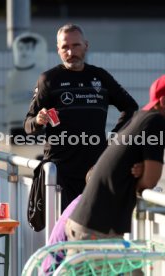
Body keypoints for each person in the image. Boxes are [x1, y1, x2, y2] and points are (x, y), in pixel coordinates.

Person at [24, 23, 138, 211]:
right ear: (58, 50)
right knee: (63, 231)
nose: (71, 52)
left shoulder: (100, 76)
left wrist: (114, 138)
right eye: (65, 47)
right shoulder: (49, 79)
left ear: (86, 45)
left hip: (94, 169)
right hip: (60, 172)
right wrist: (38, 120)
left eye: (76, 45)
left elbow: (131, 107)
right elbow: (27, 124)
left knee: (93, 231)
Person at [65, 74, 165, 246]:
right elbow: (150, 180)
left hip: (90, 225)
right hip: (95, 232)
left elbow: (131, 165)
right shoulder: (155, 122)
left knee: (134, 273)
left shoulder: (140, 118)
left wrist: (141, 171)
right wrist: (143, 178)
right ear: (163, 101)